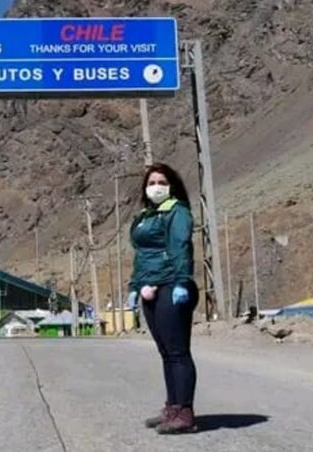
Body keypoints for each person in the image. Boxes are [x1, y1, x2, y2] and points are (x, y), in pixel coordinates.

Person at [127, 163, 199, 434]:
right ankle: (172, 407)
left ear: (171, 185)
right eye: (151, 182)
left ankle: (185, 412)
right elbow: (142, 256)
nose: (156, 186)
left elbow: (179, 247)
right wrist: (135, 286)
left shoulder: (177, 212)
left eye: (162, 182)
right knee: (166, 352)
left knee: (178, 351)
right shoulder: (145, 216)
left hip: (172, 286)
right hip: (150, 287)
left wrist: (181, 281)